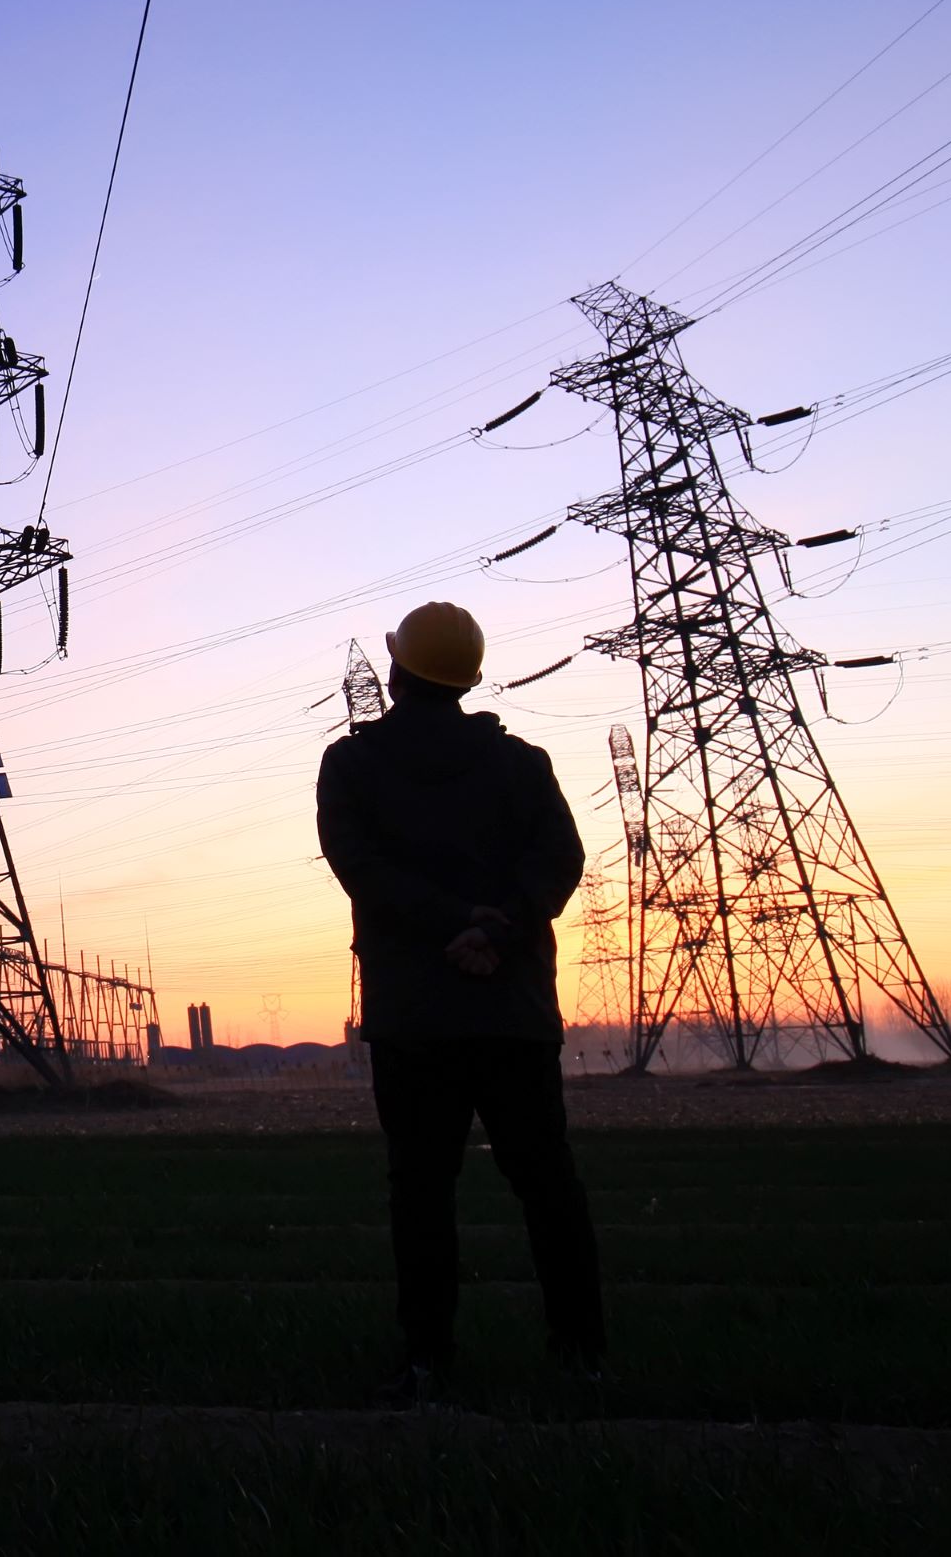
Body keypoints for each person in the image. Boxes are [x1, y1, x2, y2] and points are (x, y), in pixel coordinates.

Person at [317, 600, 602, 1401]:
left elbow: (360, 868)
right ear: (470, 677)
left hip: (414, 1018)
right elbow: (560, 857)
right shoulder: (522, 764)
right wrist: (498, 928)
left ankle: (427, 1359)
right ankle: (581, 1351)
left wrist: (448, 923)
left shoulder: (351, 766)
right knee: (546, 1184)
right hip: (510, 1010)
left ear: (397, 670)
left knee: (420, 1190)